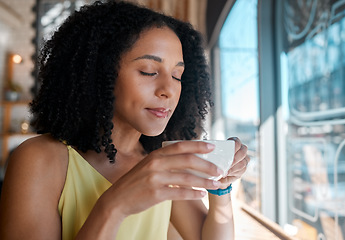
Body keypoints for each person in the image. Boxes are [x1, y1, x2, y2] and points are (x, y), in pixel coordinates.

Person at [0, 1, 250, 239]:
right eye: (149, 71)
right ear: (101, 73)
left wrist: (220, 188)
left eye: (177, 75)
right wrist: (115, 205)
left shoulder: (163, 163)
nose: (169, 90)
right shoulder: (39, 159)